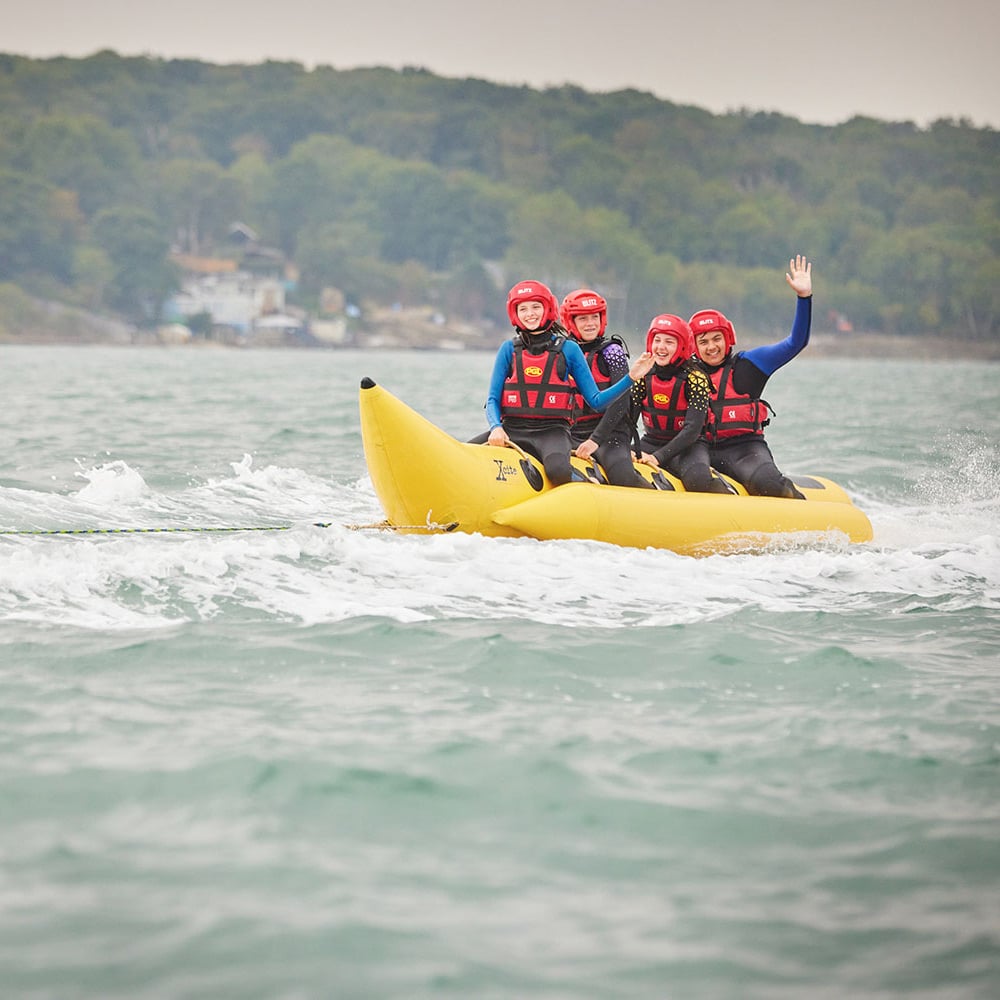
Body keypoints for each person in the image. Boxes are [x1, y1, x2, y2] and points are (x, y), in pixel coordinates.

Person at [484, 279, 653, 486]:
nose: (530, 313)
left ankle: (591, 486)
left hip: (574, 433)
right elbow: (492, 398)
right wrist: (495, 427)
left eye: (536, 307)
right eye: (523, 308)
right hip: (530, 429)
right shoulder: (509, 349)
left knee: (580, 472)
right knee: (467, 452)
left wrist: (631, 378)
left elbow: (599, 401)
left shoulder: (590, 351)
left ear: (547, 309)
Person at [689, 255, 813, 499]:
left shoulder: (751, 364)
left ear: (728, 339)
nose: (711, 347)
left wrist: (804, 297)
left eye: (717, 339)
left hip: (745, 450)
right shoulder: (685, 372)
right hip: (698, 451)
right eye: (703, 342)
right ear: (693, 346)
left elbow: (796, 343)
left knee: (768, 483)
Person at [559, 288, 653, 489]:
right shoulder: (562, 353)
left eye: (595, 317)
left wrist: (595, 440)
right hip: (573, 433)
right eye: (583, 318)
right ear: (570, 322)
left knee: (623, 476)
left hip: (611, 435)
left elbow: (621, 402)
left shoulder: (613, 352)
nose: (591, 323)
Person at [636, 313, 732, 493]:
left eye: (669, 342)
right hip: (650, 441)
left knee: (698, 480)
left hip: (689, 447)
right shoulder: (643, 375)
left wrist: (658, 457)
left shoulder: (696, 378)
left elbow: (692, 430)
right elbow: (626, 420)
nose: (661, 347)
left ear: (681, 346)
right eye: (657, 340)